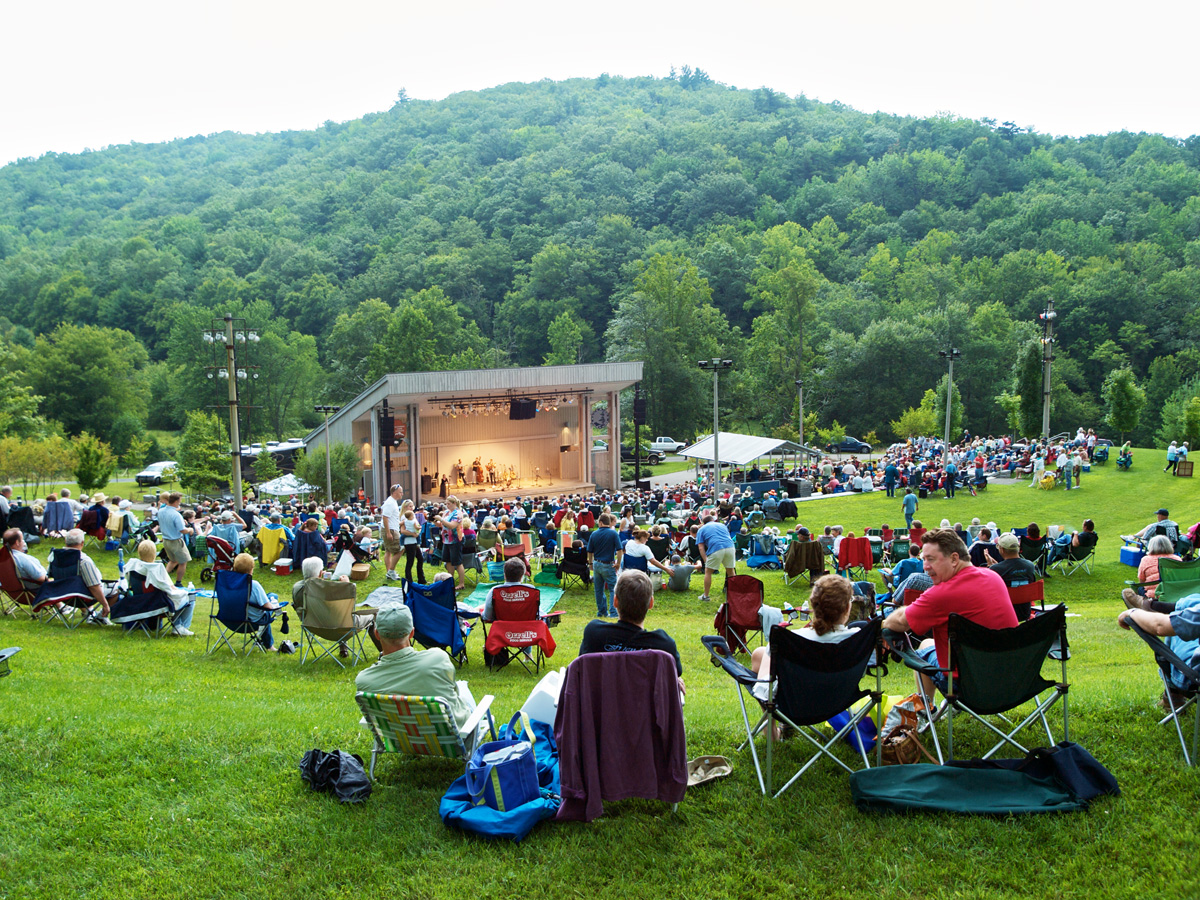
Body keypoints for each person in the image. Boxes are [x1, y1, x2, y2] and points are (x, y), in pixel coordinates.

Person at [882, 529, 1017, 697]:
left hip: (969, 686)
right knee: (930, 643)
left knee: (924, 647)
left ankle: (925, 710)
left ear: (954, 559)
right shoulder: (993, 576)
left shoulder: (942, 594)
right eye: (923, 559)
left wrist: (884, 623)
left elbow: (899, 622)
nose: (925, 566)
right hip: (1011, 678)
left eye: (930, 559)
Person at [750, 575, 856, 730]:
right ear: (847, 608)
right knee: (760, 654)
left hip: (794, 704)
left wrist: (770, 648)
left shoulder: (792, 640)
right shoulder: (857, 639)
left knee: (765, 653)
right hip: (838, 701)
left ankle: (772, 733)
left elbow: (763, 688)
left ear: (813, 606)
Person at [355, 605, 481, 731]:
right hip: (452, 738)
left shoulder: (364, 680)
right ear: (412, 633)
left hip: (402, 740)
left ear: (377, 634)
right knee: (462, 686)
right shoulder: (438, 659)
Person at [578, 570, 685, 696]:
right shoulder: (664, 647)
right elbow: (674, 674)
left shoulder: (594, 634)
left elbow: (581, 670)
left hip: (599, 713)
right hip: (645, 715)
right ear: (651, 603)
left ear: (615, 601)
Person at [1117, 599, 1200, 706]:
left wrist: (1132, 612)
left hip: (1194, 680)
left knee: (1177, 629)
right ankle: (1159, 607)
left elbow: (1160, 626)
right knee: (1195, 600)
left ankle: (1173, 694)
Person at [123, 539, 197, 636]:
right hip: (158, 605)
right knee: (190, 596)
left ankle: (178, 626)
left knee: (174, 598)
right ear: (154, 553)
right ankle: (180, 627)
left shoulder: (133, 567)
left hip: (140, 603)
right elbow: (168, 589)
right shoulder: (156, 569)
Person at [57, 528, 119, 624]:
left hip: (63, 595)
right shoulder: (83, 561)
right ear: (82, 543)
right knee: (117, 587)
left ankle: (89, 613)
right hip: (81, 597)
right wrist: (105, 604)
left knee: (79, 583)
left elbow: (48, 576)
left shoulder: (56, 556)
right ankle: (101, 616)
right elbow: (93, 586)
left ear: (65, 541)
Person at [231, 552, 281, 650]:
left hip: (230, 619)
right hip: (251, 622)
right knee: (267, 609)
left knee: (271, 596)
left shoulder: (229, 584)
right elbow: (268, 607)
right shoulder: (253, 585)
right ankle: (269, 645)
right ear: (251, 570)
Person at [1121, 535, 1181, 611]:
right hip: (1174, 596)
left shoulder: (1146, 560)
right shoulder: (1177, 559)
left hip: (1153, 598)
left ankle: (1140, 615)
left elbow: (1142, 582)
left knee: (1127, 592)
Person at [587, 512, 623, 618]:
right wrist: (618, 563)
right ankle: (613, 612)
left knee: (598, 589)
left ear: (601, 522)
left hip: (597, 563)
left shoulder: (594, 534)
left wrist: (590, 563)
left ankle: (602, 611)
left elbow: (589, 551)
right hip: (609, 564)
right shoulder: (613, 533)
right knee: (613, 589)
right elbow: (619, 550)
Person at [696, 514, 736, 604]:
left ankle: (706, 596)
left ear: (703, 522)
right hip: (730, 547)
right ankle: (734, 594)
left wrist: (705, 559)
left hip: (716, 548)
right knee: (731, 572)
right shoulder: (722, 525)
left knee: (708, 572)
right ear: (713, 520)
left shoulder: (701, 529)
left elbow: (701, 547)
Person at [157, 492, 192, 585]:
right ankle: (178, 582)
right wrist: (190, 530)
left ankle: (161, 578)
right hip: (175, 541)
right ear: (176, 501)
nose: (180, 503)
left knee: (173, 561)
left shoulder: (160, 511)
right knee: (183, 562)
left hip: (166, 540)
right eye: (179, 501)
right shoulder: (176, 514)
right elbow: (182, 530)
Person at [482, 556, 530, 621]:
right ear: (522, 576)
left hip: (502, 629)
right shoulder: (531, 590)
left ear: (504, 575)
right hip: (527, 629)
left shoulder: (494, 591)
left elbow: (487, 617)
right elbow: (538, 613)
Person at [435, 496, 467, 590]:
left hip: (456, 540)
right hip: (446, 540)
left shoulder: (458, 513)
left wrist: (441, 520)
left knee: (457, 562)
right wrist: (435, 522)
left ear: (454, 503)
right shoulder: (446, 512)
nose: (447, 505)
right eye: (446, 504)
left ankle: (461, 583)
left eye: (449, 504)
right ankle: (450, 580)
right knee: (447, 561)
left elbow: (452, 526)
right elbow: (443, 525)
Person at [3, 527, 46, 592]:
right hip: (37, 592)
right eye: (23, 539)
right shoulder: (23, 559)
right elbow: (42, 578)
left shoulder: (4, 559)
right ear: (17, 542)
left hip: (15, 594)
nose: (24, 542)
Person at [398, 500, 425, 584]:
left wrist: (418, 532)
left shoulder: (412, 516)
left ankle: (421, 578)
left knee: (420, 558)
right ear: (405, 507)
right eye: (410, 506)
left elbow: (417, 526)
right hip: (409, 541)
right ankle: (409, 580)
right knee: (410, 560)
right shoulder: (404, 517)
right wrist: (413, 534)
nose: (412, 508)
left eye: (412, 506)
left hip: (413, 540)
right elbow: (402, 531)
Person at [380, 483, 403, 581]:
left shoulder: (392, 501)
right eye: (400, 492)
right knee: (400, 549)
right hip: (391, 530)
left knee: (388, 551)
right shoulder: (390, 503)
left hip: (391, 528)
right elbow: (385, 517)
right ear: (394, 493)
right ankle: (391, 571)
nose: (402, 494)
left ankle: (389, 571)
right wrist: (388, 532)